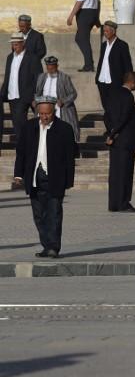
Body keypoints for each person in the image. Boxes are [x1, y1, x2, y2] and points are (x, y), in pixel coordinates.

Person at [14, 97, 77, 258]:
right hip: (35, 177)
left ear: (53, 112)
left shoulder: (64, 129)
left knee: (54, 212)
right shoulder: (29, 127)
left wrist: (69, 180)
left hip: (55, 178)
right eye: (41, 114)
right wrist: (18, 174)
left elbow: (70, 157)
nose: (44, 117)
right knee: (39, 214)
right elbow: (21, 152)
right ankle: (46, 245)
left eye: (47, 114)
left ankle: (53, 247)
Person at [103, 71, 135, 212]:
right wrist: (114, 133)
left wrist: (110, 132)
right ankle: (123, 203)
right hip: (125, 140)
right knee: (125, 173)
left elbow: (106, 116)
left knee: (115, 173)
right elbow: (124, 117)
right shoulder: (128, 96)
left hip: (114, 141)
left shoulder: (112, 95)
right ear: (133, 82)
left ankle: (113, 204)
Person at [3, 34, 43, 150]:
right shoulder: (10, 57)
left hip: (26, 95)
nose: (14, 47)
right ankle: (23, 145)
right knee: (17, 123)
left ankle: (27, 145)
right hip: (12, 95)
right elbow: (8, 77)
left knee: (23, 122)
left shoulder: (32, 57)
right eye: (12, 44)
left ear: (23, 43)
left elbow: (38, 78)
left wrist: (36, 95)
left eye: (16, 44)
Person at [35, 56, 80, 142]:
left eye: (52, 69)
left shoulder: (64, 78)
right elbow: (37, 92)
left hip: (59, 110)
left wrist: (63, 101)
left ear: (57, 66)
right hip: (44, 109)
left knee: (60, 133)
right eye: (48, 69)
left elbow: (73, 94)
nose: (50, 71)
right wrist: (36, 100)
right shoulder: (41, 77)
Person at [95, 21, 133, 113]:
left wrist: (128, 82)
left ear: (113, 31)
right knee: (106, 107)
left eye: (107, 31)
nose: (105, 33)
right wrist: (97, 78)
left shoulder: (122, 45)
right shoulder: (104, 45)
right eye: (104, 31)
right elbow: (101, 62)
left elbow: (127, 65)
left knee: (115, 107)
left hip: (115, 82)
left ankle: (115, 126)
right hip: (102, 81)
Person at [67, 0, 100, 72]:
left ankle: (89, 65)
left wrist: (71, 15)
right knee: (80, 38)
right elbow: (98, 2)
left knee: (83, 39)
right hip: (93, 12)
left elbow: (80, 1)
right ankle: (89, 64)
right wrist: (97, 18)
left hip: (85, 13)